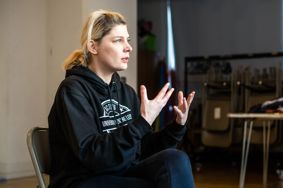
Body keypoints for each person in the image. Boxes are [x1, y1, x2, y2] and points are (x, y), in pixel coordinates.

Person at [48, 9, 195, 188]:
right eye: (118, 40)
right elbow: (92, 155)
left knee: (175, 159)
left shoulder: (126, 92)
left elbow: (142, 149)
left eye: (128, 40)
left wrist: (177, 127)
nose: (129, 47)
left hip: (120, 172)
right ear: (93, 47)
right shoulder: (73, 90)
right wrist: (143, 122)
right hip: (82, 179)